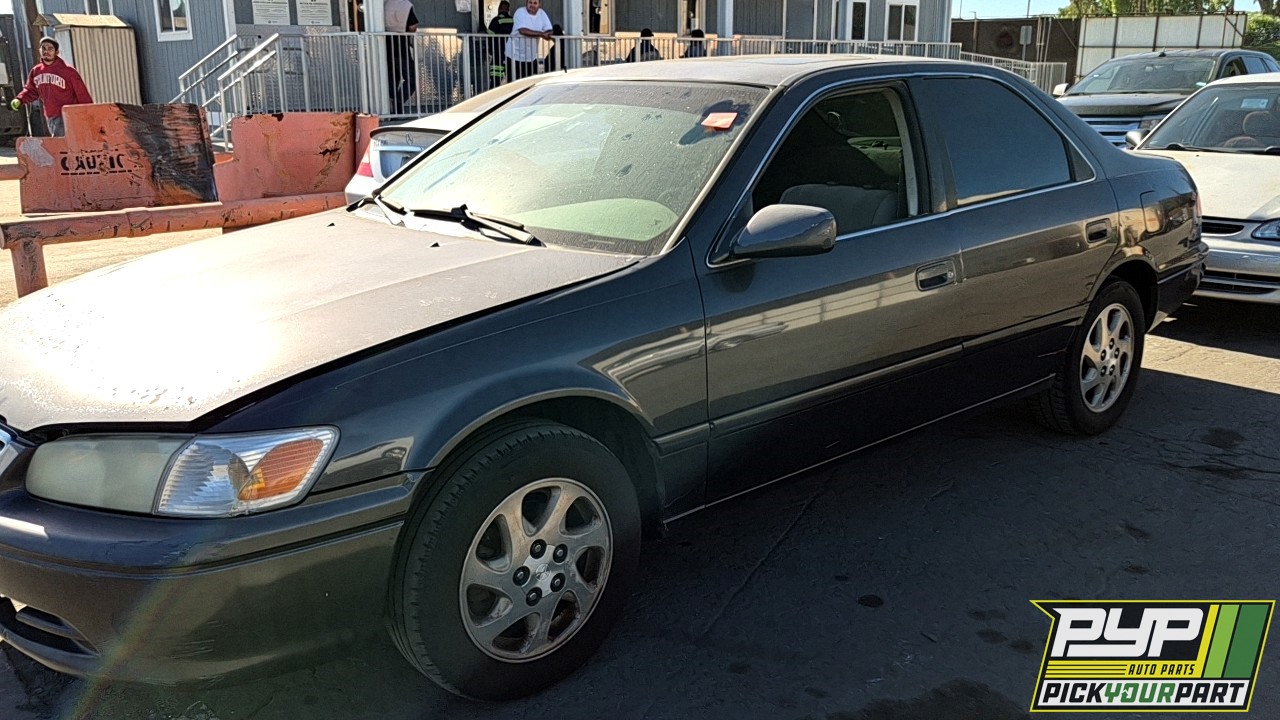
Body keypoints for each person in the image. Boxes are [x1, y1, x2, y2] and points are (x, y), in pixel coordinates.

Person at [9, 38, 92, 137]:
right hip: (51, 115)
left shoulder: (68, 71)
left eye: (50, 49)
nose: (46, 51)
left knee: (61, 146)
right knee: (58, 145)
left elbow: (82, 94)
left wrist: (89, 113)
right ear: (40, 50)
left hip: (68, 115)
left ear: (57, 52)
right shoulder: (36, 71)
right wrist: (20, 99)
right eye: (43, 48)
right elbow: (31, 90)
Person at [384, 0, 419, 114]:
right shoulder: (406, 5)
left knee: (393, 80)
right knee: (412, 80)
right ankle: (398, 104)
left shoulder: (384, 4)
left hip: (385, 48)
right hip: (401, 48)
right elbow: (412, 26)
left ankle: (391, 108)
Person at [507, 0, 552, 81]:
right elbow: (523, 31)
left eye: (535, 3)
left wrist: (548, 34)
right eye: (530, 2)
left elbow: (549, 30)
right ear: (526, 3)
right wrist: (542, 34)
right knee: (514, 84)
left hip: (531, 56)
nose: (532, 5)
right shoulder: (520, 12)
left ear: (539, 4)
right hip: (514, 55)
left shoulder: (542, 14)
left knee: (530, 83)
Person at [483, 1, 514, 90]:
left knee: (495, 80)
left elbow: (490, 35)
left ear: (499, 8)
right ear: (508, 9)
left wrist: (489, 49)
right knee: (512, 78)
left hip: (498, 53)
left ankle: (493, 97)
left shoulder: (496, 20)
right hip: (511, 55)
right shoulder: (513, 20)